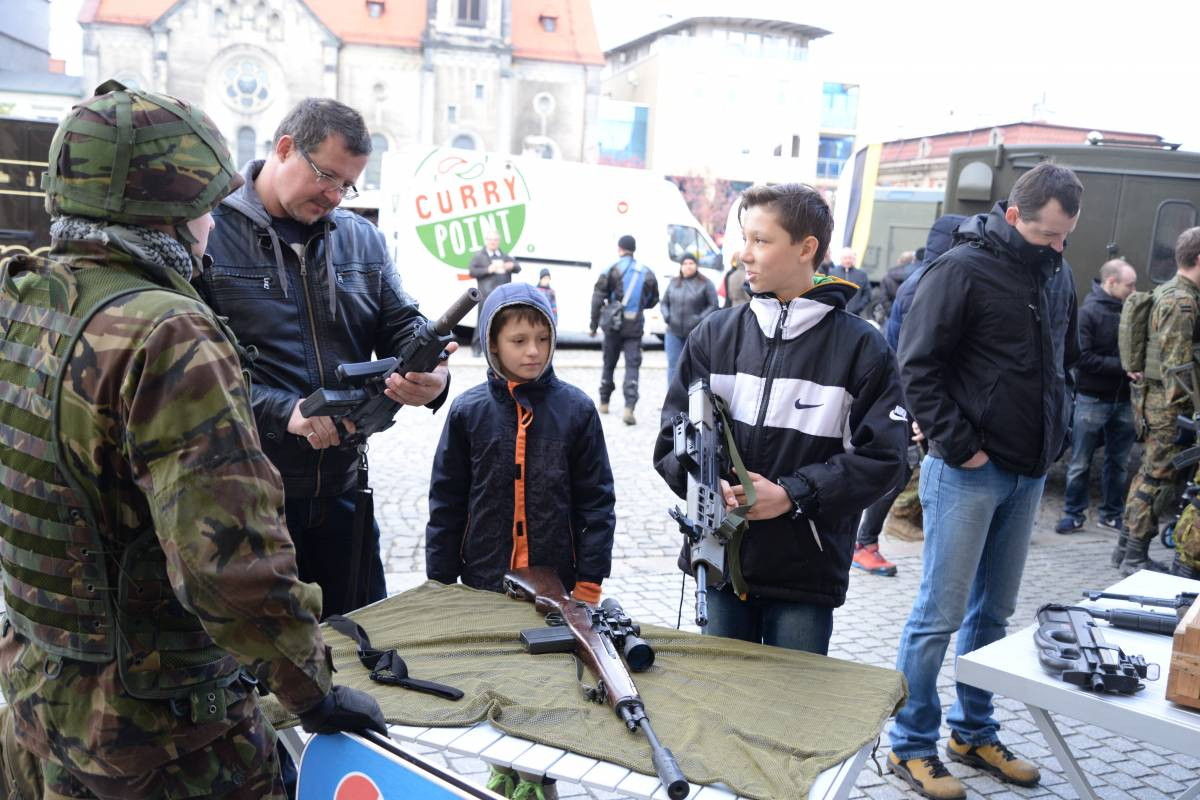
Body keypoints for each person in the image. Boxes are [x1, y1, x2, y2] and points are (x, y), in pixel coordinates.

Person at [0, 80, 384, 800]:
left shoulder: (19, 297)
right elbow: (228, 565)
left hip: (37, 701)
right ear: (169, 215)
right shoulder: (166, 332)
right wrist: (310, 689)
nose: (214, 221)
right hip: (159, 737)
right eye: (205, 205)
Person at [199, 98, 452, 618]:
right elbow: (190, 375)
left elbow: (404, 323)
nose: (336, 197)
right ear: (285, 148)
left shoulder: (362, 240)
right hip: (246, 501)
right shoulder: (208, 235)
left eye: (348, 184)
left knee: (365, 647)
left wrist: (435, 375)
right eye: (327, 177)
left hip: (342, 493)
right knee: (262, 670)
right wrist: (282, 411)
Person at [890, 162, 1082, 799]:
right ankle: (910, 745)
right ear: (1012, 216)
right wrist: (962, 446)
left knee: (992, 618)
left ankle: (973, 731)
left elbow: (1064, 363)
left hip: (1028, 473)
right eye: (1047, 235)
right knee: (937, 617)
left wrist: (1058, 434)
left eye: (1066, 237)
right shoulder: (961, 270)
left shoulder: (1057, 273)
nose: (1057, 247)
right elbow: (916, 369)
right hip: (969, 473)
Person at [653, 183, 908, 656]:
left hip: (804, 578)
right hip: (721, 565)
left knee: (793, 714)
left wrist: (793, 495)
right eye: (743, 237)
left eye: (760, 240)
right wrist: (708, 487)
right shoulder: (714, 334)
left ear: (806, 248)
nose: (742, 253)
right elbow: (669, 442)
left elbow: (885, 460)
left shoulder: (862, 349)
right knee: (723, 706)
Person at [425, 282, 615, 800]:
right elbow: (447, 500)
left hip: (558, 586)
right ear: (491, 344)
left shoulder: (575, 410)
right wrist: (440, 582)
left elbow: (597, 501)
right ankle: (502, 769)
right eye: (518, 340)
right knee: (497, 679)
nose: (532, 351)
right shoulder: (467, 412)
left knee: (549, 688)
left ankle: (538, 779)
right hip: (487, 580)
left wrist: (590, 582)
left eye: (542, 338)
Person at [1116, 227, 1200, 574]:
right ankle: (1134, 556)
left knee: (1149, 473)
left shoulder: (1170, 292)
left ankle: (1125, 548)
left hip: (1157, 402)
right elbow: (1178, 366)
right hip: (1171, 407)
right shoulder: (1182, 301)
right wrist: (1194, 409)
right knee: (1158, 477)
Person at [1055, 259, 1138, 534]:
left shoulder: (1132, 310)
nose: (1134, 290)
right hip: (1092, 399)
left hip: (1123, 401)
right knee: (1079, 461)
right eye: (1130, 285)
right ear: (1111, 282)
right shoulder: (1088, 313)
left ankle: (1111, 514)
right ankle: (1073, 514)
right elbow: (1083, 358)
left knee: (1119, 463)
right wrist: (1124, 368)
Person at [589, 234, 659, 425]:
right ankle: (629, 407)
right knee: (632, 365)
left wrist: (594, 325)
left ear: (620, 249)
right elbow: (653, 300)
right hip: (634, 325)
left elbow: (597, 299)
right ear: (634, 249)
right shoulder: (647, 272)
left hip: (613, 325)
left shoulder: (611, 269)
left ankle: (604, 402)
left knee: (609, 363)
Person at [660, 253, 718, 384]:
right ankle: (673, 400)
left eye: (691, 263)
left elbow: (713, 305)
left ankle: (693, 401)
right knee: (673, 366)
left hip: (695, 334)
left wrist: (699, 319)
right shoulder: (673, 283)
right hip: (673, 332)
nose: (688, 266)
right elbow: (664, 303)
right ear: (680, 266)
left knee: (694, 367)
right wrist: (667, 316)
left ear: (696, 265)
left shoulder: (706, 283)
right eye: (684, 264)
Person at [468, 229, 521, 355]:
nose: (493, 242)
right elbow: (472, 271)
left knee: (502, 323)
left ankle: (501, 349)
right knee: (482, 321)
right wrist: (488, 269)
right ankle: (476, 349)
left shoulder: (504, 256)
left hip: (502, 296)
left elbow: (518, 267)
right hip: (485, 295)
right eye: (491, 239)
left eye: (496, 240)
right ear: (486, 241)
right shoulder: (479, 256)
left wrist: (511, 266)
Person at [827, 246, 871, 316]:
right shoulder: (833, 273)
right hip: (836, 314)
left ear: (854, 259)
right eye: (845, 258)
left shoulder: (861, 275)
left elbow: (867, 295)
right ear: (841, 259)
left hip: (855, 314)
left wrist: (859, 307)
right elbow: (828, 292)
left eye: (850, 258)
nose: (848, 260)